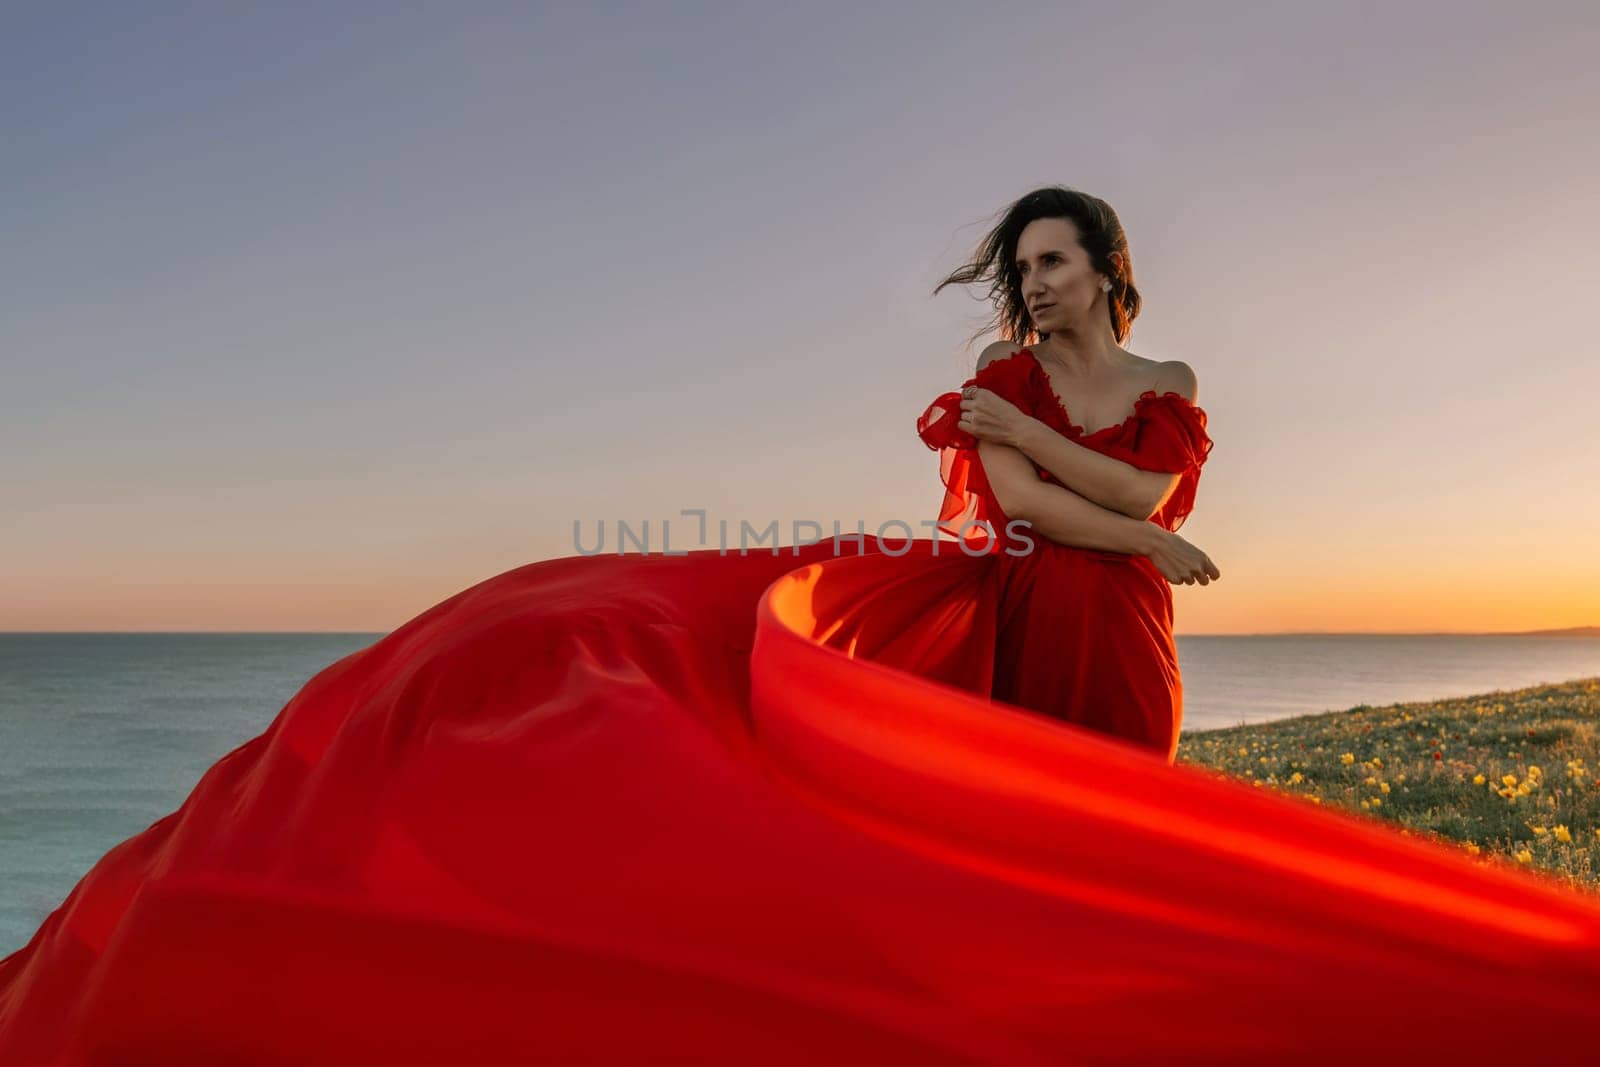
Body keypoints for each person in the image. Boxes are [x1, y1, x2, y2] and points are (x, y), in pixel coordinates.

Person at [3, 187, 1599, 1064]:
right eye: (1019, 270)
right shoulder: (1011, 393)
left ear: (1113, 272)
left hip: (1128, 636)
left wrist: (1088, 493)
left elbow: (1158, 525)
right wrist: (1056, 469)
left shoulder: (1165, 392)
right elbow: (1054, 520)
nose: (1034, 289)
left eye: (1056, 264)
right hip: (1022, 619)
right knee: (993, 839)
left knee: (1124, 834)